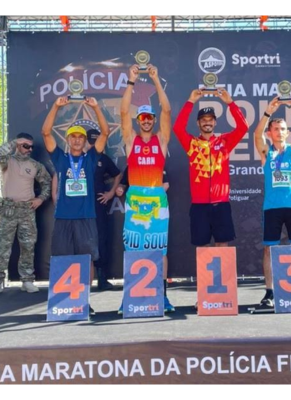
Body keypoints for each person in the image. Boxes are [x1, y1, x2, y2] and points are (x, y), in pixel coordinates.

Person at [42, 96, 111, 314]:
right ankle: (64, 302)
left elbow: (105, 133)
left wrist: (96, 107)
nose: (77, 140)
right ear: (68, 139)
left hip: (86, 217)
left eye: (81, 137)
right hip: (63, 217)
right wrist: (55, 106)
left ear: (85, 141)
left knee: (86, 260)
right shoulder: (60, 158)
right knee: (63, 259)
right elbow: (46, 133)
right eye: (73, 136)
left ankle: (83, 301)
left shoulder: (90, 158)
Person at [119, 63, 174, 313]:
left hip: (157, 200)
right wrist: (131, 80)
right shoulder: (131, 141)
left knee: (159, 249)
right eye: (142, 118)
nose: (147, 121)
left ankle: (162, 296)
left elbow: (167, 110)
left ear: (153, 120)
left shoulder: (161, 140)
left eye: (150, 117)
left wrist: (156, 79)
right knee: (133, 248)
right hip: (135, 199)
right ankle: (129, 297)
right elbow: (123, 113)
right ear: (138, 120)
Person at [253, 95, 291, 310]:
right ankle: (270, 292)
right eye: (275, 129)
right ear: (270, 133)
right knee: (269, 250)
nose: (279, 132)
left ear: (287, 133)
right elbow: (256, 134)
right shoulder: (266, 152)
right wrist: (268, 112)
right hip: (272, 208)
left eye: (283, 129)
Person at [172, 88, 248, 248]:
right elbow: (178, 128)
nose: (207, 122)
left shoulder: (224, 141)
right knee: (203, 248)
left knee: (223, 245)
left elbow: (243, 128)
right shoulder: (192, 143)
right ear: (198, 123)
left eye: (210, 119)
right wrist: (190, 101)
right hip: (199, 205)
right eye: (203, 120)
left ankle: (223, 268)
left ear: (215, 122)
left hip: (221, 204)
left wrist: (230, 102)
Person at [0, 132, 51, 295]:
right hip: (8, 209)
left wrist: (40, 199)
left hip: (27, 210)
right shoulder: (7, 161)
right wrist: (14, 142)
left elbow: (47, 183)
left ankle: (27, 280)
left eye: (31, 147)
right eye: (25, 146)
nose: (29, 149)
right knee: (2, 246)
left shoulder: (35, 165)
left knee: (28, 246)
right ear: (17, 145)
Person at [87, 128, 122, 291]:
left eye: (96, 142)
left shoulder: (103, 158)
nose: (93, 145)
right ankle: (81, 280)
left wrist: (111, 192)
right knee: (81, 240)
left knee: (101, 239)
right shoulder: (77, 157)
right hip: (80, 205)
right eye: (91, 142)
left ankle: (102, 278)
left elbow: (118, 174)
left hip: (98, 204)